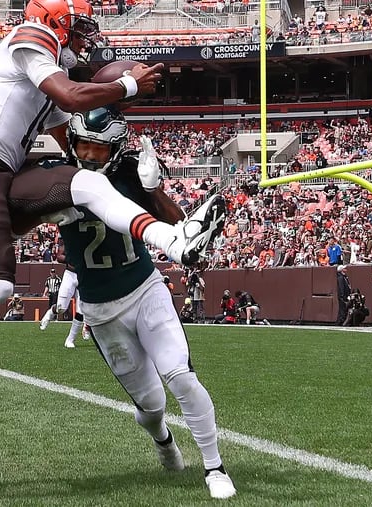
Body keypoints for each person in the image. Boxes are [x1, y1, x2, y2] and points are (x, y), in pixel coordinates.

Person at [0, 0, 227, 435]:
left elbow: (79, 142)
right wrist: (126, 85)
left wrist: (120, 131)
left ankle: (173, 240)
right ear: (57, 23)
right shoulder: (32, 39)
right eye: (79, 30)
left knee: (86, 185)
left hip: (2, 175)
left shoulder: (46, 82)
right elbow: (71, 95)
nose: (84, 41)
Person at [53, 107, 235, 498]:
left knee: (181, 376)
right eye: (83, 146)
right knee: (151, 406)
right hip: (102, 311)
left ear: (117, 149)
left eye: (100, 150)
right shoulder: (55, 178)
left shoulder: (129, 172)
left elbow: (181, 226)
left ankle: (215, 467)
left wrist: (152, 190)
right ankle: (164, 439)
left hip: (144, 288)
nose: (89, 156)